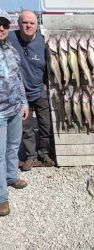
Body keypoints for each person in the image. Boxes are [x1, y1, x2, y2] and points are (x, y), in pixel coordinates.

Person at [8, 10, 55, 171]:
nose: (28, 25)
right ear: (19, 24)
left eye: (32, 23)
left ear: (36, 25)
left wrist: (46, 82)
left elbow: (50, 64)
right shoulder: (10, 37)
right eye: (25, 22)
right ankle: (31, 155)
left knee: (45, 125)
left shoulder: (43, 41)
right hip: (20, 95)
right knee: (26, 128)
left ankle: (44, 153)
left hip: (39, 90)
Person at [0, 10, 29, 216]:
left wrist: (24, 103)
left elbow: (18, 79)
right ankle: (1, 197)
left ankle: (11, 176)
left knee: (13, 146)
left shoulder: (11, 49)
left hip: (14, 109)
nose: (1, 28)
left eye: (4, 24)